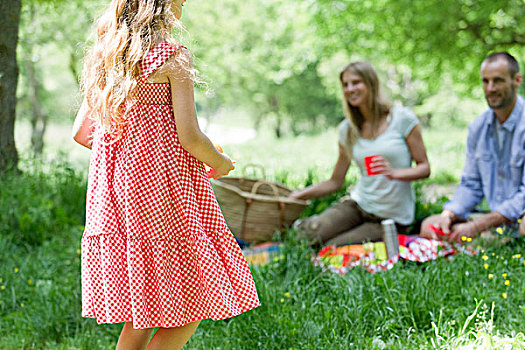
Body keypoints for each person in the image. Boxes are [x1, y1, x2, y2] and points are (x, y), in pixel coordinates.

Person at [72, 1, 260, 349]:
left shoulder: (105, 54)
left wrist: (131, 150)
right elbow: (190, 137)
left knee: (142, 310)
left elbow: (82, 134)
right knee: (191, 301)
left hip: (115, 200)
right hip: (162, 195)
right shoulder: (172, 56)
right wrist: (219, 162)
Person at [291, 61, 430, 246]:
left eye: (356, 82)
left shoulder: (402, 119)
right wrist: (298, 195)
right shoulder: (347, 130)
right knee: (308, 237)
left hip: (390, 218)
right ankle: (309, 225)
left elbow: (425, 168)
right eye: (345, 85)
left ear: (371, 84)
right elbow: (335, 181)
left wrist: (395, 173)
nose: (350, 89)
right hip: (358, 204)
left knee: (333, 248)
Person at [420, 52, 524, 243]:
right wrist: (448, 214)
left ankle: (490, 239)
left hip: (518, 215)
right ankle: (492, 239)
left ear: (517, 80)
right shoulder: (478, 127)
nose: (490, 88)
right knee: (429, 225)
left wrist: (479, 225)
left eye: (498, 81)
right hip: (491, 217)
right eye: (485, 81)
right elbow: (471, 184)